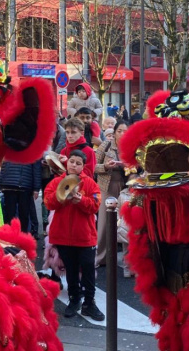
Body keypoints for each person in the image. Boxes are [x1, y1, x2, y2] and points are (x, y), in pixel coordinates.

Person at [44, 150, 103, 321]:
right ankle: (74, 299)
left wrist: (81, 201)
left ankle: (89, 303)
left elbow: (95, 205)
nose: (74, 165)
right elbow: (48, 202)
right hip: (63, 236)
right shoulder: (56, 182)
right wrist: (62, 197)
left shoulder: (90, 183)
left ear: (83, 166)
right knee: (70, 269)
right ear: (67, 162)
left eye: (78, 163)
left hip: (84, 236)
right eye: (72, 161)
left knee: (88, 269)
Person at [95, 121, 127, 269]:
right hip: (107, 186)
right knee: (104, 224)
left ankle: (127, 261)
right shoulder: (105, 145)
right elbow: (93, 166)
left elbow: (139, 165)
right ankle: (101, 257)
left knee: (125, 224)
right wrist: (106, 166)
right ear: (114, 132)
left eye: (125, 131)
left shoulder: (131, 147)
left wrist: (128, 166)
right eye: (119, 130)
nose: (122, 134)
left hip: (125, 186)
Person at [0, 159, 41, 234]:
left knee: (12, 215)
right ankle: (20, 236)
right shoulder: (31, 148)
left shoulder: (10, 147)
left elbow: (36, 167)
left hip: (14, 184)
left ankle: (13, 236)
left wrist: (2, 183)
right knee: (21, 215)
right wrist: (36, 188)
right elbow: (36, 168)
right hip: (19, 184)